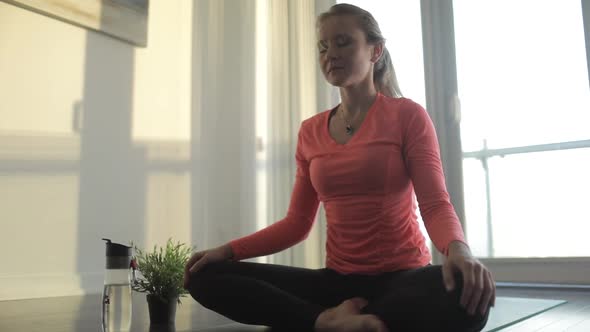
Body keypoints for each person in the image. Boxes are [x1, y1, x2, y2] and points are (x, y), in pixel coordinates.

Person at [184, 3, 495, 332]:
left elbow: (434, 203)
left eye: (343, 42)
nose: (330, 53)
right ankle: (327, 322)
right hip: (335, 284)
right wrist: (227, 251)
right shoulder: (310, 131)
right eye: (323, 45)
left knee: (466, 290)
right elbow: (297, 224)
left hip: (402, 280)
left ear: (375, 51)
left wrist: (459, 251)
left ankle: (341, 320)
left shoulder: (408, 116)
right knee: (204, 275)